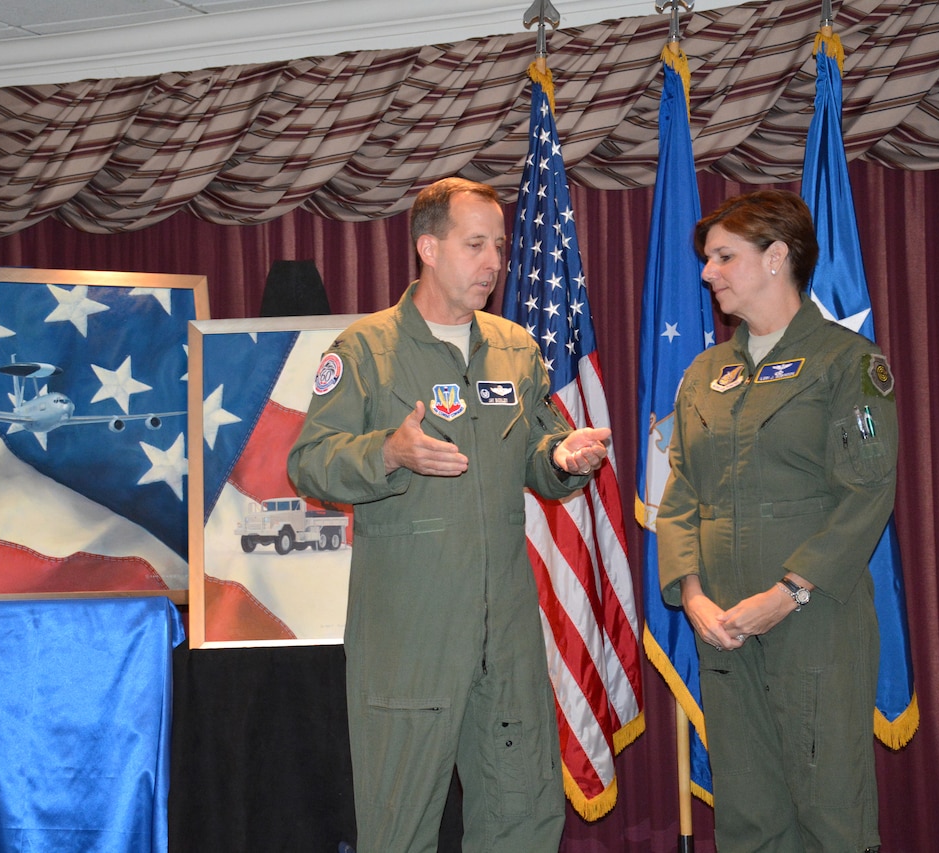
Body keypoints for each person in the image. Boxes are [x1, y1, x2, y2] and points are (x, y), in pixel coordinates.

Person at [287, 176, 611, 852]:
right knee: (399, 827)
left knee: (521, 816)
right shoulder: (366, 351)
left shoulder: (516, 348)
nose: (493, 261)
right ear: (428, 248)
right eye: (475, 245)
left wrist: (565, 457)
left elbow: (537, 454)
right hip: (411, 638)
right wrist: (389, 451)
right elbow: (309, 461)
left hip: (507, 633)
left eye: (499, 244)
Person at [657, 189, 896, 853]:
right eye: (708, 259)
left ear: (776, 258)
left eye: (723, 256)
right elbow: (681, 494)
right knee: (747, 817)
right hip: (726, 631)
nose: (707, 272)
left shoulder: (848, 364)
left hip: (815, 625)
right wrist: (693, 595)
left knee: (831, 815)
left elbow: (867, 493)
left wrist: (789, 591)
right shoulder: (705, 373)